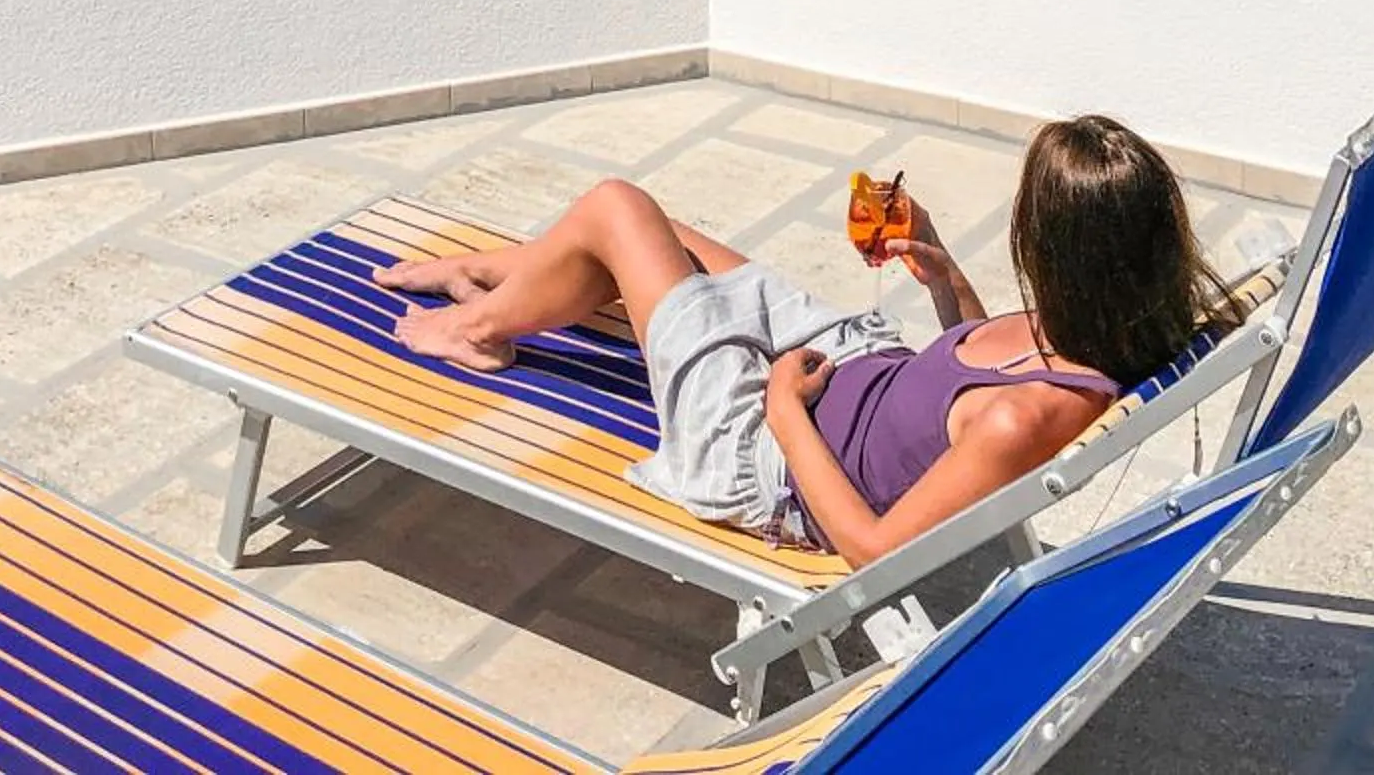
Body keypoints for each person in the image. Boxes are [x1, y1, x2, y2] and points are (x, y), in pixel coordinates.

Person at [377, 116, 1239, 563]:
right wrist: (947, 283)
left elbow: (871, 550)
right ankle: (504, 269)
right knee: (659, 235)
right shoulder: (1107, 330)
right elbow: (969, 378)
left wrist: (784, 409)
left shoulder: (1023, 422)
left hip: (768, 453)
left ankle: (477, 327)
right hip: (854, 361)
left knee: (617, 207)